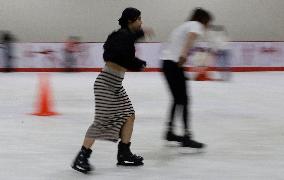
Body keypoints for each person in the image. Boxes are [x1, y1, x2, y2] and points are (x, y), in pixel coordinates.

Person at [72, 7, 153, 174]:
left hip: (115, 84)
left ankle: (124, 153)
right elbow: (120, 56)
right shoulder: (122, 37)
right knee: (101, 121)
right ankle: (81, 157)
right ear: (131, 21)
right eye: (139, 19)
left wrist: (140, 34)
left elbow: (116, 45)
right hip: (106, 85)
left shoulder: (123, 35)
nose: (141, 21)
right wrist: (137, 63)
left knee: (129, 115)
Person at [160, 8, 212, 148]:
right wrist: (183, 54)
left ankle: (169, 132)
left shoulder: (183, 25)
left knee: (177, 99)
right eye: (208, 22)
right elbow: (191, 36)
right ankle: (187, 136)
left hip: (166, 63)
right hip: (175, 63)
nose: (207, 26)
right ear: (203, 19)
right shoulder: (196, 25)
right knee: (184, 99)